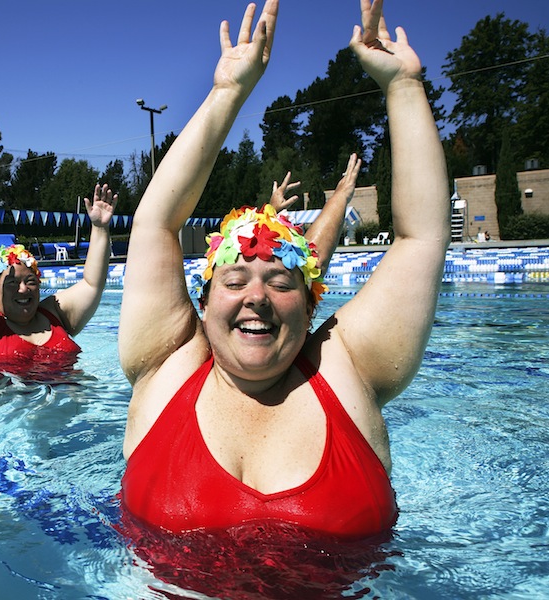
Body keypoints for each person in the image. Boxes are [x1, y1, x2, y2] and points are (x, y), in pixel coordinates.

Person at [119, 0, 448, 549]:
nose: (257, 298)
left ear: (310, 300)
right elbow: (155, 221)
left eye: (279, 281)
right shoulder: (164, 367)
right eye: (235, 279)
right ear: (203, 302)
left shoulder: (351, 372)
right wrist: (228, 93)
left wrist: (404, 89)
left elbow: (421, 239)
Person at [0, 164, 117, 374]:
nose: (23, 289)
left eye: (30, 281)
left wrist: (100, 228)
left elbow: (92, 284)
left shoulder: (55, 314)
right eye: (11, 283)